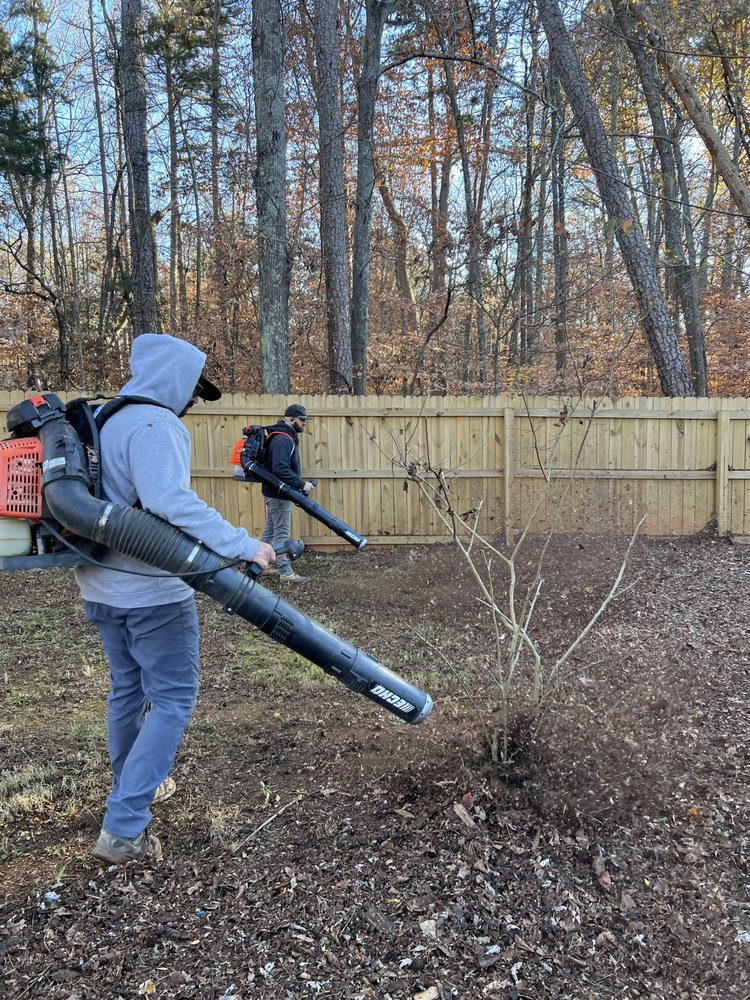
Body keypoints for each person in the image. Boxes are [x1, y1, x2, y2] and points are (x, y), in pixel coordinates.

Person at [75, 333, 275, 864]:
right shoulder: (155, 424)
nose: (190, 402)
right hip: (151, 592)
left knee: (127, 691)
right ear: (175, 380)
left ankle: (130, 787)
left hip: (99, 585)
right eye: (190, 390)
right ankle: (124, 828)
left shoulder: (108, 419)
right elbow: (169, 503)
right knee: (172, 700)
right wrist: (243, 544)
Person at [260, 403, 314, 583]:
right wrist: (301, 484)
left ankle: (259, 565)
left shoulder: (282, 436)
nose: (304, 424)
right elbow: (280, 469)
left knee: (269, 533)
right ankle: (285, 572)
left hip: (273, 492)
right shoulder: (283, 439)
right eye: (302, 420)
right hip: (279, 494)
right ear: (291, 420)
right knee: (281, 533)